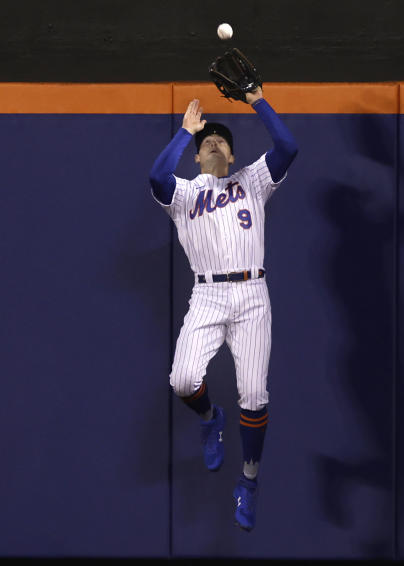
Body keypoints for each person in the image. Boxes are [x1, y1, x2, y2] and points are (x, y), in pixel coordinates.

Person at [149, 87, 298, 531]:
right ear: (196, 158)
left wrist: (256, 99)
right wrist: (184, 133)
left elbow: (289, 146)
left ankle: (248, 482)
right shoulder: (184, 193)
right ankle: (211, 418)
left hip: (253, 295)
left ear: (232, 156)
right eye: (205, 142)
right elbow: (157, 177)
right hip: (208, 296)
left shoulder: (252, 180)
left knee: (254, 395)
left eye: (221, 140)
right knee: (182, 380)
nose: (212, 141)